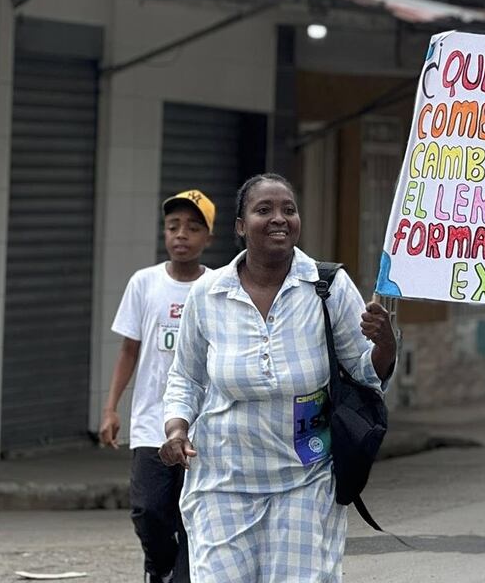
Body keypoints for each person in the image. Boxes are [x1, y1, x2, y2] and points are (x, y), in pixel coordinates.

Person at [161, 174, 397, 580]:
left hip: (304, 481)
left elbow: (364, 372)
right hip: (222, 481)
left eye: (289, 209)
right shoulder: (208, 293)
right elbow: (185, 376)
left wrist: (385, 344)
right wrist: (176, 429)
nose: (279, 218)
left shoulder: (327, 286)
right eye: (264, 210)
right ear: (240, 226)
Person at [100, 190, 216, 583]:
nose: (181, 235)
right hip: (152, 422)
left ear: (208, 237)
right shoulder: (144, 283)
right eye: (173, 227)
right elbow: (129, 350)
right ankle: (161, 567)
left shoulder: (217, 286)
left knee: (192, 518)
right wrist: (111, 408)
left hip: (202, 425)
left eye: (193, 228)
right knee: (149, 510)